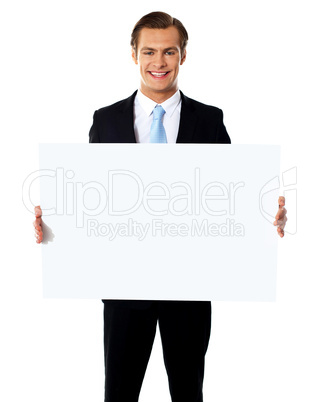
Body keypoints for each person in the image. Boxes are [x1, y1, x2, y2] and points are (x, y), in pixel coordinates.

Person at [34, 11, 231, 402]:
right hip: (124, 285)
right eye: (150, 52)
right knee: (119, 394)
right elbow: (90, 197)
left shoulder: (209, 120)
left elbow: (228, 194)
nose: (159, 62)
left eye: (169, 52)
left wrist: (266, 216)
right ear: (133, 54)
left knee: (188, 393)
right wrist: (53, 226)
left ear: (183, 55)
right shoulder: (105, 121)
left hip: (189, 283)